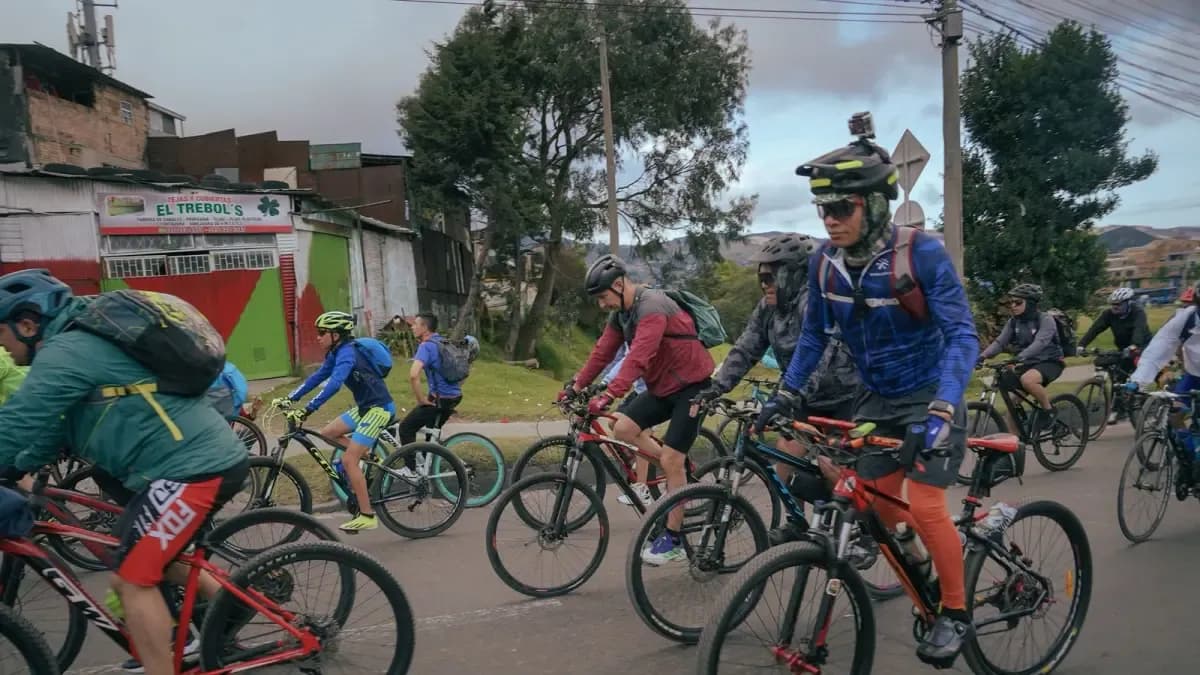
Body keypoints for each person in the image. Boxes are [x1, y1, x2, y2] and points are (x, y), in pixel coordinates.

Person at [763, 133, 979, 666]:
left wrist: (945, 405)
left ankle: (956, 613)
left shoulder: (921, 254)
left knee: (926, 505)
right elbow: (814, 336)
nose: (829, 219)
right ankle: (922, 574)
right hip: (876, 399)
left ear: (875, 203)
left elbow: (962, 336)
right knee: (878, 510)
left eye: (841, 207)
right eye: (823, 209)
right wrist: (787, 392)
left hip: (931, 395)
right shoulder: (823, 263)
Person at [0, 269, 248, 675]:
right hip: (178, 469)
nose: (3, 351)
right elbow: (55, 424)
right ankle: (231, 608)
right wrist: (18, 465)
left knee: (132, 581)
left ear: (26, 324)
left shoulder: (68, 351)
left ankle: (172, 658)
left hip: (193, 469)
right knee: (144, 561)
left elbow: (17, 420)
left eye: (2, 337)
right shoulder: (75, 349)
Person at [694, 233, 861, 543]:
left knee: (831, 467)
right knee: (784, 457)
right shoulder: (769, 307)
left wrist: (786, 396)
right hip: (799, 396)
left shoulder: (813, 302)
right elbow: (746, 347)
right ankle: (798, 524)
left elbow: (817, 358)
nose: (764, 283)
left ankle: (860, 528)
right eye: (762, 275)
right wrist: (717, 386)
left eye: (771, 275)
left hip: (843, 396)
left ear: (795, 274)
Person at [566, 254, 714, 565]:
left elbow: (639, 357)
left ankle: (673, 539)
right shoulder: (622, 314)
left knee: (672, 457)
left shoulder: (652, 306)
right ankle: (678, 475)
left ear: (619, 285)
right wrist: (576, 386)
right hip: (664, 387)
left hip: (693, 386)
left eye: (603, 297)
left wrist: (609, 395)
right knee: (623, 428)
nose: (602, 304)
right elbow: (603, 352)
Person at [281, 310, 395, 532]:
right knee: (327, 433)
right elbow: (317, 377)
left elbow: (334, 384)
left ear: (336, 335)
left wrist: (307, 410)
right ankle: (370, 456)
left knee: (348, 461)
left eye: (322, 332)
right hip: (364, 408)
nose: (318, 337)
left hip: (379, 409)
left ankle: (367, 515)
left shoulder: (347, 353)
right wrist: (289, 398)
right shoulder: (336, 352)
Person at [1128, 280, 1200, 484]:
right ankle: (1189, 461)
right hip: (1193, 376)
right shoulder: (1186, 318)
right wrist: (1138, 380)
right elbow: (1159, 347)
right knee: (1176, 414)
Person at [978, 284, 1063, 434]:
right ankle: (1016, 446)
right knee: (1011, 404)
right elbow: (1000, 342)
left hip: (1050, 361)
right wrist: (983, 356)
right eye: (1011, 302)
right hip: (1028, 363)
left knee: (1028, 380)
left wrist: (1019, 357)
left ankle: (1048, 410)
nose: (1013, 306)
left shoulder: (1046, 320)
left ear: (1030, 303)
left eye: (1018, 302)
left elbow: (1040, 343)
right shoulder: (1013, 322)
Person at [1077, 287, 1151, 423]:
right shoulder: (1109, 314)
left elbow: (1139, 330)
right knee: (1117, 377)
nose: (1114, 307)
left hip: (1141, 347)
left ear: (1128, 302)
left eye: (1118, 304)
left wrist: (1134, 345)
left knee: (1136, 375)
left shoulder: (1138, 312)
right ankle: (1118, 409)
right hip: (1123, 348)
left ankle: (1139, 402)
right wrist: (1081, 345)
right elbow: (1095, 329)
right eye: (1112, 304)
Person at [397, 314, 464, 459]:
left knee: (406, 428)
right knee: (430, 435)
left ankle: (411, 470)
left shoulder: (426, 346)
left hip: (439, 399)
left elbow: (414, 375)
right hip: (454, 396)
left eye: (415, 324)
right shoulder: (442, 342)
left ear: (425, 328)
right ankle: (427, 470)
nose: (412, 327)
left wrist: (421, 400)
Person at [598, 342, 652, 506]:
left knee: (640, 434)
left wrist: (609, 385)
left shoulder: (646, 324)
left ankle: (642, 489)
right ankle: (638, 457)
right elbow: (617, 358)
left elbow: (632, 360)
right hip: (639, 390)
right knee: (614, 422)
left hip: (654, 390)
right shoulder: (627, 325)